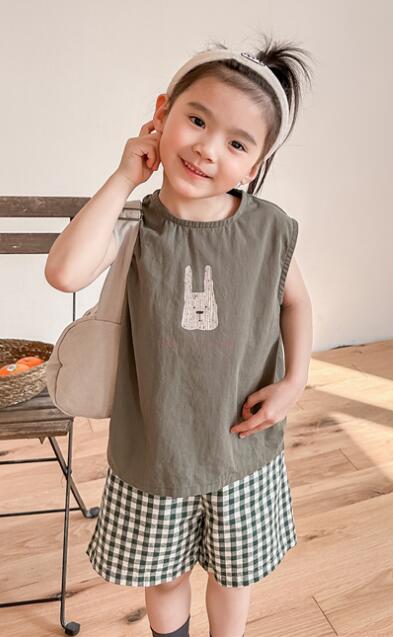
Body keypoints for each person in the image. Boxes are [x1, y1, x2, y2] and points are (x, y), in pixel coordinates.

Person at [45, 35, 315, 637]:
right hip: (156, 453)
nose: (207, 148)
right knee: (164, 578)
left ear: (255, 165)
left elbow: (295, 302)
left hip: (241, 450)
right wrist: (125, 177)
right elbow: (63, 272)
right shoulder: (136, 226)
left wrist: (294, 381)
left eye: (237, 143)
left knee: (233, 576)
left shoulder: (269, 229)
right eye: (197, 120)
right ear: (161, 114)